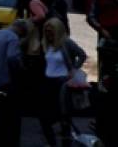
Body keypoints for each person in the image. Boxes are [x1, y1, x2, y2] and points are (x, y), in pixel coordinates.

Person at [40, 17, 87, 145]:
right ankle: (52, 143)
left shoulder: (66, 42)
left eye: (51, 32)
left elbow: (82, 54)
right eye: (46, 32)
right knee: (45, 117)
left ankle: (65, 142)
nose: (48, 35)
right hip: (48, 82)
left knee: (63, 116)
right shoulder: (46, 44)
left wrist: (73, 69)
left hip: (62, 83)